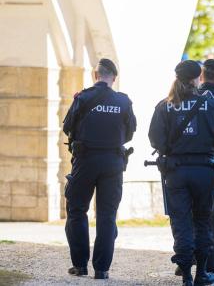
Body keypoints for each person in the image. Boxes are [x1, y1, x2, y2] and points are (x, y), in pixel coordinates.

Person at [148, 60, 214, 286]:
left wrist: (170, 150)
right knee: (203, 221)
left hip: (176, 172)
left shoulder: (165, 106)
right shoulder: (209, 104)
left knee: (181, 222)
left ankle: (185, 273)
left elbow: (155, 138)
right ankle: (202, 273)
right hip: (204, 170)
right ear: (197, 79)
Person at [62, 58, 137, 279]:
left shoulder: (83, 98)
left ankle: (80, 265)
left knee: (77, 211)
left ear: (96, 75)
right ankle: (102, 269)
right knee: (107, 215)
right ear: (113, 78)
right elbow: (131, 132)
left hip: (85, 161)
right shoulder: (123, 102)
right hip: (113, 163)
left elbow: (67, 127)